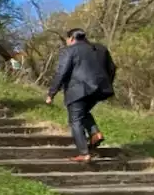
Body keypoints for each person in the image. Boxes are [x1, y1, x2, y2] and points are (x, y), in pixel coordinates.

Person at [46, 28, 117, 163]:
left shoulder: (70, 50)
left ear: (72, 38)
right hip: (101, 88)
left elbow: (61, 72)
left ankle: (84, 153)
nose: (67, 42)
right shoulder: (101, 49)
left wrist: (51, 93)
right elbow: (112, 68)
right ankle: (95, 133)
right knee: (82, 112)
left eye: (67, 40)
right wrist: (107, 82)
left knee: (75, 120)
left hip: (78, 89)